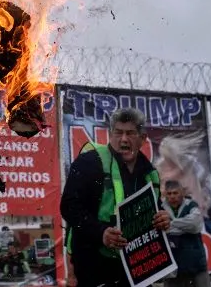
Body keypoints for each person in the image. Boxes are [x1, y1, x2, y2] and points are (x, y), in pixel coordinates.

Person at [60, 107, 172, 287]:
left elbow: (155, 208)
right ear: (110, 135)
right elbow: (69, 206)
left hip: (136, 269)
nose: (124, 139)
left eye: (130, 133)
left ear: (142, 139)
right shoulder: (89, 162)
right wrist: (101, 232)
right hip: (94, 268)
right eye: (118, 133)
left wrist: (163, 217)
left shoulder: (149, 173)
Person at [162, 180, 210, 287]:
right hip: (173, 268)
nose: (172, 196)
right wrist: (184, 226)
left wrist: (170, 223)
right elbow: (159, 230)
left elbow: (194, 225)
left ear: (182, 193)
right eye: (169, 194)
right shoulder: (160, 208)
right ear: (165, 194)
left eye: (175, 193)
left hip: (196, 264)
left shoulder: (191, 205)